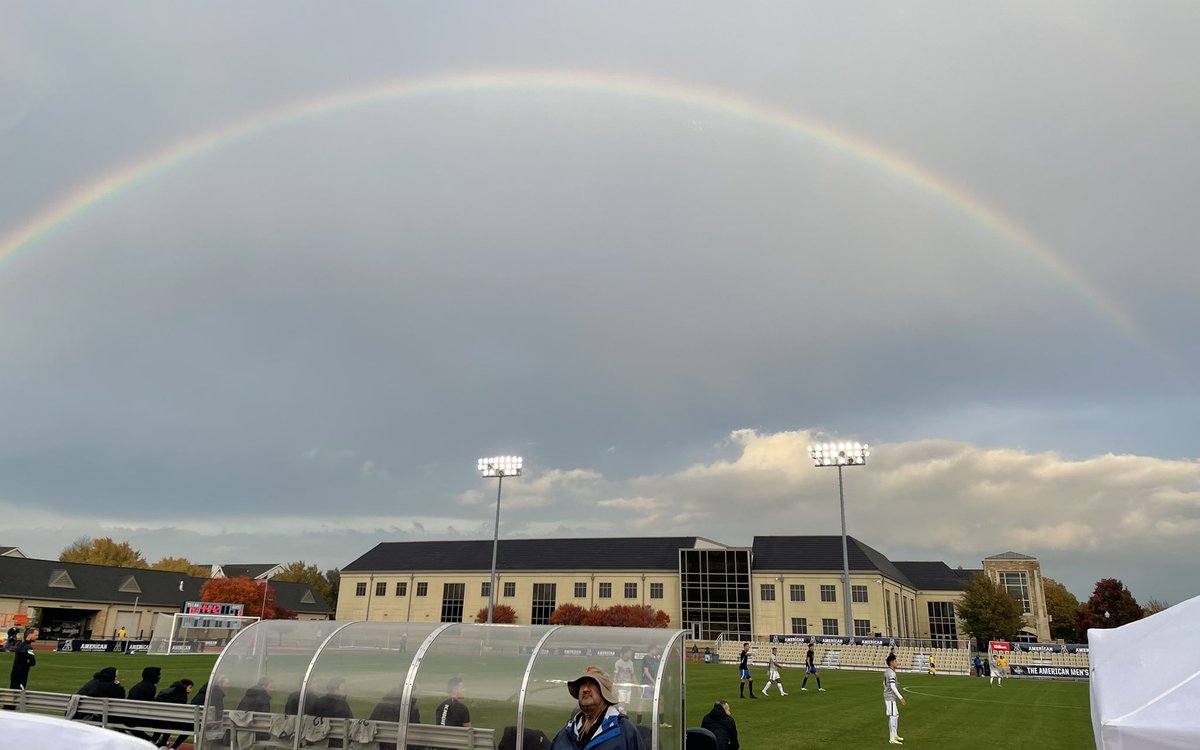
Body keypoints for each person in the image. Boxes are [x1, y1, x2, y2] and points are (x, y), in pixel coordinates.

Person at [550, 666, 643, 750]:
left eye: (592, 684)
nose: (585, 689)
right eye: (582, 684)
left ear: (604, 692)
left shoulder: (625, 731)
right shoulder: (567, 732)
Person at [311, 677, 354, 748]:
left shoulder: (318, 702)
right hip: (338, 741)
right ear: (339, 688)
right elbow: (351, 724)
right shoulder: (342, 705)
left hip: (317, 739)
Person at [125, 665, 163, 742]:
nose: (159, 677)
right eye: (158, 675)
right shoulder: (150, 687)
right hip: (136, 718)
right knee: (162, 723)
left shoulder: (139, 686)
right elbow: (149, 705)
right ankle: (154, 740)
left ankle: (149, 739)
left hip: (128, 716)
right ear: (153, 676)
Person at [155, 677, 195, 750]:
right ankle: (173, 747)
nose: (191, 690)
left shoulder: (166, 691)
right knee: (187, 726)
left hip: (157, 720)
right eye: (190, 687)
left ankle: (161, 742)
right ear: (185, 686)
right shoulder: (182, 695)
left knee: (168, 720)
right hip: (169, 721)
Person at [883, 652, 907, 745]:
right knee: (893, 716)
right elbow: (892, 686)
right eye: (895, 661)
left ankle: (895, 735)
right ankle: (892, 738)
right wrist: (901, 698)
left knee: (895, 715)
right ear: (891, 662)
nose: (897, 663)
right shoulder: (891, 673)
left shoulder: (888, 671)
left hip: (890, 696)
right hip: (890, 697)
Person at [638, 643, 664, 724]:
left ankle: (662, 722)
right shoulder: (646, 658)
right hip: (647, 683)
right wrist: (653, 681)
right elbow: (646, 672)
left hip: (653, 683)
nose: (657, 651)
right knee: (643, 702)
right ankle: (639, 722)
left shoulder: (653, 659)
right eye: (656, 649)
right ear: (651, 649)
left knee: (661, 700)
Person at [8, 627, 38, 691]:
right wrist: (27, 662)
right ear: (30, 635)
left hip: (14, 674)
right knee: (19, 694)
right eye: (36, 635)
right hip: (21, 675)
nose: (37, 637)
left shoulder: (20, 645)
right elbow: (33, 662)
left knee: (13, 693)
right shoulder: (28, 647)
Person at [613, 647, 636, 714]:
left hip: (628, 687)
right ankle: (619, 718)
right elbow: (615, 674)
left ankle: (623, 719)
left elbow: (633, 674)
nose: (631, 654)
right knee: (621, 706)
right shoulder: (618, 663)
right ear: (625, 653)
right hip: (621, 687)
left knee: (626, 705)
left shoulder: (631, 663)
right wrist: (615, 685)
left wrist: (636, 684)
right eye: (629, 652)